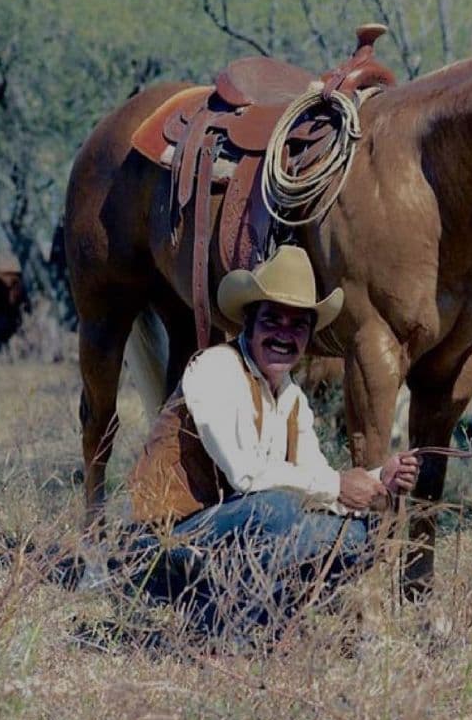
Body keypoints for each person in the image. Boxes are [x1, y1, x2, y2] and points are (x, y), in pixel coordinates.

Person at [117, 245, 420, 649]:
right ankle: (224, 629)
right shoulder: (215, 368)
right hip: (163, 545)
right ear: (248, 324)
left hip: (226, 540)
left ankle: (262, 621)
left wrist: (378, 480)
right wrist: (338, 486)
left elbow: (317, 480)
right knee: (274, 509)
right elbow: (247, 475)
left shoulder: (293, 400)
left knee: (357, 538)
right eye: (272, 320)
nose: (283, 335)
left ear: (309, 336)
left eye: (297, 326)